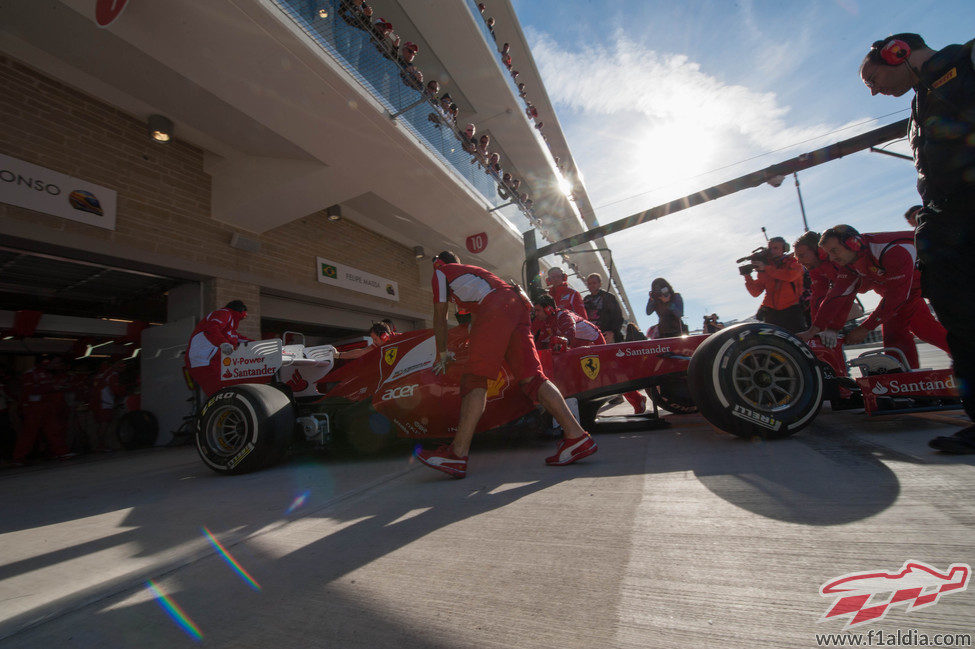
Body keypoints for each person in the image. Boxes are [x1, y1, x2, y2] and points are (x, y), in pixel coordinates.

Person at [859, 33, 975, 452]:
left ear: (898, 52)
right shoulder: (919, 103)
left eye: (873, 78)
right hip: (947, 220)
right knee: (963, 325)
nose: (874, 90)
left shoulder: (966, 63)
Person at [415, 251, 597, 478]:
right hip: (517, 303)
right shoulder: (472, 274)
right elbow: (478, 313)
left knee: (474, 378)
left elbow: (440, 315)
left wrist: (441, 353)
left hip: (497, 306)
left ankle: (457, 454)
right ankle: (576, 437)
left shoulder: (441, 272)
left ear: (437, 264)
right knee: (533, 377)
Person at [818, 225, 951, 369]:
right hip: (914, 287)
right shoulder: (850, 259)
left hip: (948, 273)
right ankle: (961, 354)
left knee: (894, 330)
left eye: (834, 251)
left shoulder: (891, 250)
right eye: (828, 253)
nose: (831, 258)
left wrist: (865, 328)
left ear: (853, 243)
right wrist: (820, 328)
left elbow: (897, 297)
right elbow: (838, 295)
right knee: (924, 329)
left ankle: (903, 381)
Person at [794, 230, 869, 348]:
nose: (798, 261)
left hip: (883, 280)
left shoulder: (838, 258)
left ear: (816, 250)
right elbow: (818, 298)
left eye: (801, 255)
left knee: (894, 331)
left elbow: (844, 293)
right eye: (797, 257)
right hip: (866, 285)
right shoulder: (815, 266)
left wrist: (833, 328)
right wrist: (817, 330)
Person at [11, 356, 74, 465]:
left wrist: (58, 388)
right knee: (29, 433)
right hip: (33, 407)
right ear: (38, 364)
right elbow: (29, 390)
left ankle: (62, 452)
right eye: (44, 364)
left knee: (54, 430)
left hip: (46, 406)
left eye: (47, 364)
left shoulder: (48, 374)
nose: (47, 366)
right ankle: (18, 457)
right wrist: (51, 389)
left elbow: (52, 387)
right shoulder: (30, 374)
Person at [184, 300, 251, 397]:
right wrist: (223, 343)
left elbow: (240, 338)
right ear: (240, 310)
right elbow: (212, 328)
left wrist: (261, 343)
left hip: (214, 360)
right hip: (202, 359)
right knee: (220, 395)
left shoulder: (230, 328)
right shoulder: (224, 313)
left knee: (225, 392)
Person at [742, 236, 805, 333]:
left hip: (792, 310)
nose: (772, 251)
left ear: (784, 249)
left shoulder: (793, 261)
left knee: (797, 339)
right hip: (771, 312)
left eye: (776, 248)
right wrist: (747, 275)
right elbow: (755, 292)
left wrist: (766, 268)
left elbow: (790, 276)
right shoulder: (767, 267)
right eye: (770, 248)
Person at [583, 273, 624, 342]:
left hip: (606, 336)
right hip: (591, 337)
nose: (591, 285)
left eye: (594, 283)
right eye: (589, 284)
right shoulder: (586, 299)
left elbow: (618, 317)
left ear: (600, 284)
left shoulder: (609, 297)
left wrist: (612, 332)